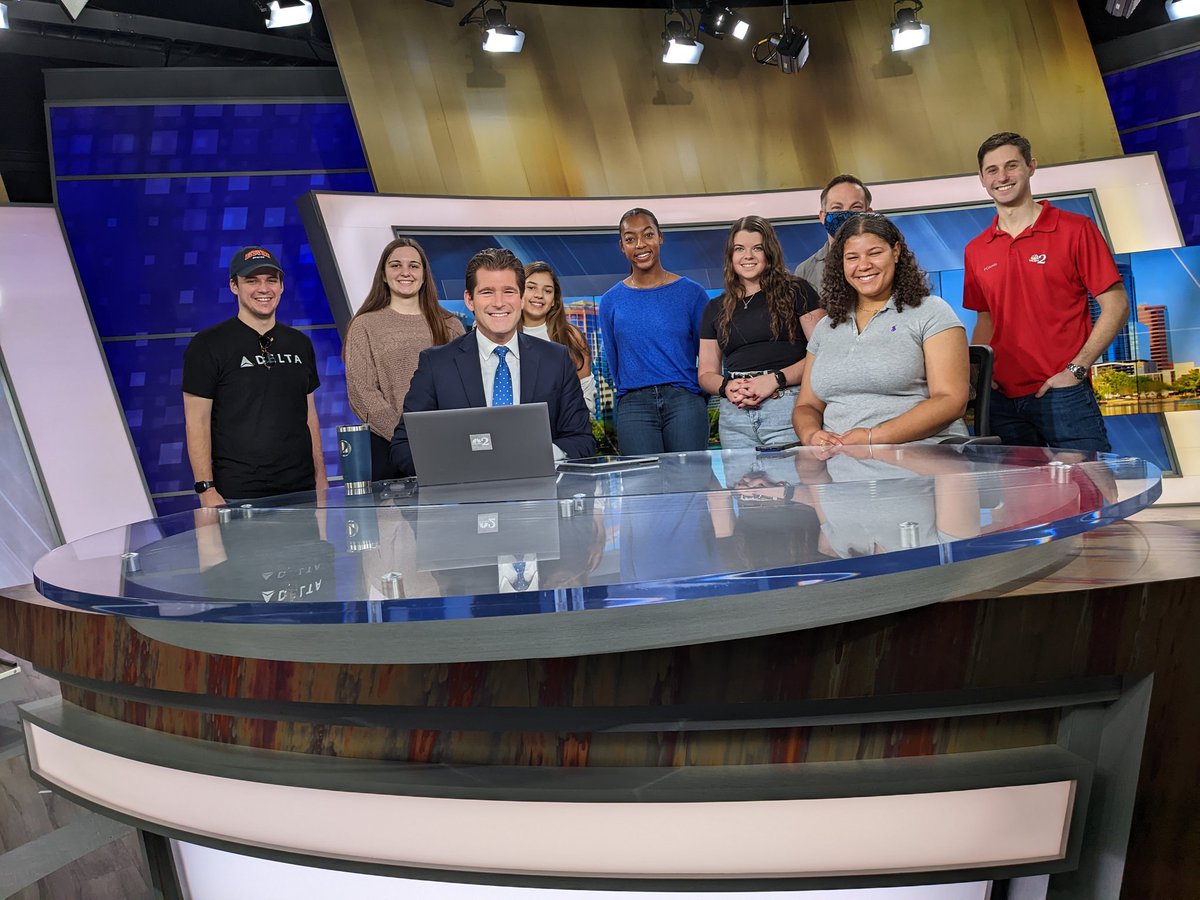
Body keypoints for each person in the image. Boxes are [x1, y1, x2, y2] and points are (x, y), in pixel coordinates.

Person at [963, 131, 1129, 452]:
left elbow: (1117, 305)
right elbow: (985, 319)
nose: (1002, 177)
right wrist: (979, 375)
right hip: (1001, 400)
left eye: (1012, 166)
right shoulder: (976, 250)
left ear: (1031, 167)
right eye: (992, 170)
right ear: (982, 179)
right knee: (1019, 502)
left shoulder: (1076, 230)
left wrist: (1076, 370)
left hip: (1064, 393)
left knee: (1090, 491)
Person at [389, 248, 594, 476]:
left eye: (508, 291)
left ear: (521, 297)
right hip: (463, 501)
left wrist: (540, 456)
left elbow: (582, 440)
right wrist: (459, 469)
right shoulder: (436, 364)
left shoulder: (556, 360)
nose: (499, 303)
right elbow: (403, 447)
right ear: (469, 300)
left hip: (539, 500)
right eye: (487, 292)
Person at [792, 214, 969, 447]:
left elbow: (950, 400)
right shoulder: (826, 327)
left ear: (895, 252)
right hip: (841, 463)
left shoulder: (932, 312)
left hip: (919, 456)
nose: (863, 265)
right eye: (852, 257)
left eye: (874, 253)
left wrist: (872, 437)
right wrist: (811, 435)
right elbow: (807, 406)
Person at [183, 246, 328, 507]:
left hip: (301, 490)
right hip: (239, 494)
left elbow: (310, 416)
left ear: (281, 286)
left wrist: (321, 479)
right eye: (252, 281)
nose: (263, 289)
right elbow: (197, 422)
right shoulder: (207, 345)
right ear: (233, 286)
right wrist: (206, 489)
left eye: (271, 280)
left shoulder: (299, 344)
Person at [344, 237, 464, 479]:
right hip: (390, 451)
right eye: (396, 265)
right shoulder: (365, 324)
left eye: (414, 265)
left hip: (448, 448)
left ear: (424, 274)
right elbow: (362, 392)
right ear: (384, 275)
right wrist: (407, 438)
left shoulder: (450, 324)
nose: (405, 272)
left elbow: (464, 387)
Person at [698, 216, 821, 449]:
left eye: (757, 248)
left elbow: (822, 354)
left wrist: (775, 379)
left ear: (770, 253)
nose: (748, 256)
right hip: (734, 416)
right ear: (730, 256)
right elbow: (706, 373)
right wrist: (726, 387)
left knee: (791, 485)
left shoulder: (798, 291)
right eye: (739, 249)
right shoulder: (714, 308)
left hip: (787, 407)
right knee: (741, 486)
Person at [598, 207, 711, 455]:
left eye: (648, 235)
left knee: (691, 485)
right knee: (643, 487)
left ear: (660, 237)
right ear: (622, 246)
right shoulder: (610, 301)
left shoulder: (692, 294)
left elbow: (708, 357)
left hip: (684, 400)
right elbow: (614, 362)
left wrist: (691, 393)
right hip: (634, 405)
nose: (640, 244)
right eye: (630, 239)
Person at [521, 260, 595, 416]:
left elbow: (586, 400)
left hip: (564, 429)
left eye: (547, 291)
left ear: (554, 300)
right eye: (531, 287)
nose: (539, 295)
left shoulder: (571, 337)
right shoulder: (502, 336)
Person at [794, 174, 873, 294]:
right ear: (823, 217)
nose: (846, 214)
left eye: (856, 207)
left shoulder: (884, 262)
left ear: (869, 214)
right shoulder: (805, 271)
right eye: (837, 208)